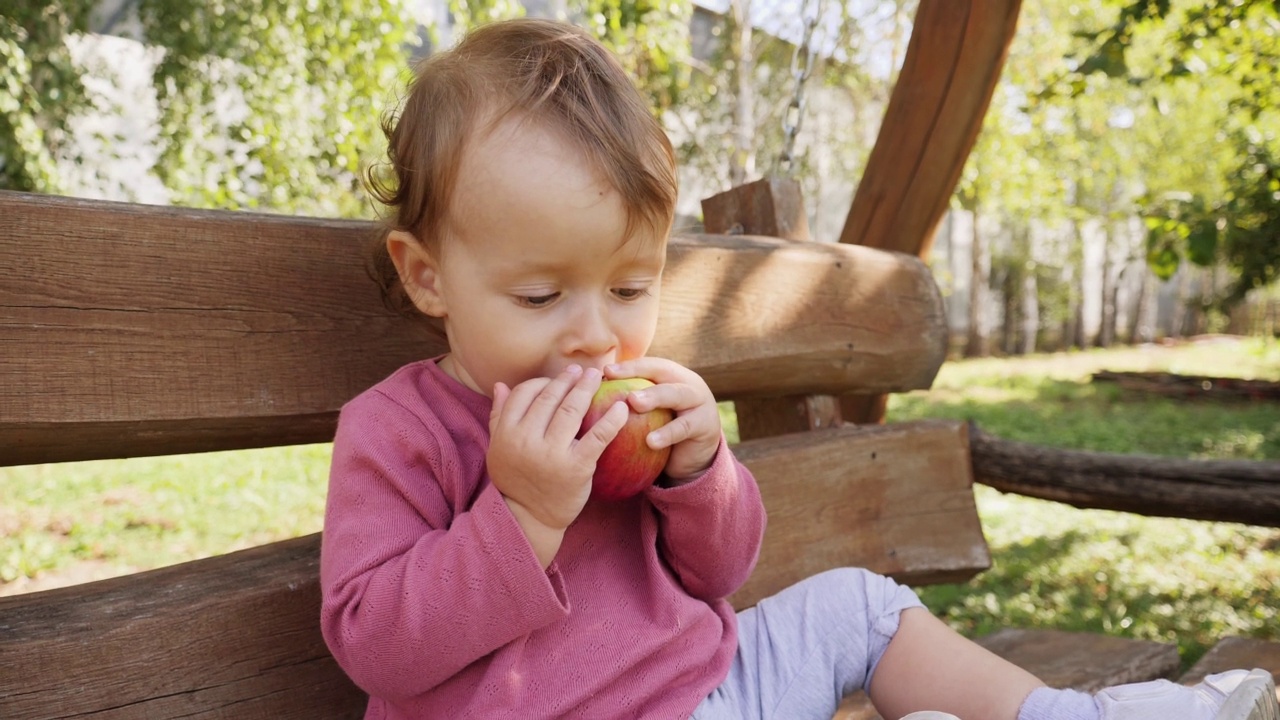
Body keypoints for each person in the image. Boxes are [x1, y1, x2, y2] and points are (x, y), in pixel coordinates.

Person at [319, 17, 1280, 720]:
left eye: (628, 290)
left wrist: (703, 476)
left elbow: (722, 571)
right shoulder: (399, 432)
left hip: (712, 687)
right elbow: (377, 648)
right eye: (540, 298)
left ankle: (1075, 719)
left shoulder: (639, 400)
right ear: (428, 276)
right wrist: (523, 516)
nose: (593, 339)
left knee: (857, 606)